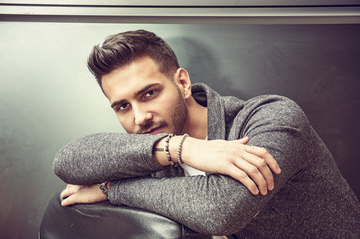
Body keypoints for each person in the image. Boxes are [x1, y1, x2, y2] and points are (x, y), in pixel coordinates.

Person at [53, 29, 360, 238]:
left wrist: (111, 190)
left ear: (183, 82)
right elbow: (67, 161)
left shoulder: (271, 117)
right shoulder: (157, 143)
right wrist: (182, 148)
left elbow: (221, 209)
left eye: (149, 93)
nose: (139, 117)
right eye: (122, 106)